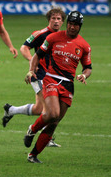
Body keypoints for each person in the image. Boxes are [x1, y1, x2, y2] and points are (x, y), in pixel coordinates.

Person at [23, 11, 92, 163]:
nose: (72, 27)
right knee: (53, 113)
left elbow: (88, 67)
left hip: (68, 84)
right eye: (70, 24)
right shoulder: (53, 37)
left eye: (76, 25)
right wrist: (30, 70)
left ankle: (33, 155)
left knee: (54, 123)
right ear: (67, 23)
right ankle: (32, 129)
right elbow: (37, 55)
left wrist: (84, 75)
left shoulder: (84, 46)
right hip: (51, 80)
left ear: (80, 27)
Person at [2, 7, 66, 147]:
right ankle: (46, 138)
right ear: (49, 20)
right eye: (53, 18)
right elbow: (24, 47)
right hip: (39, 75)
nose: (56, 21)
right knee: (49, 109)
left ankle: (11, 110)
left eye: (59, 19)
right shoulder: (40, 34)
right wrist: (32, 61)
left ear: (62, 22)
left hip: (53, 76)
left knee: (39, 109)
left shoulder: (61, 36)